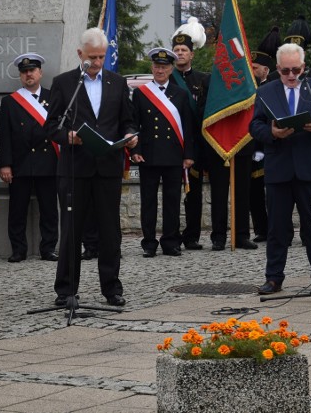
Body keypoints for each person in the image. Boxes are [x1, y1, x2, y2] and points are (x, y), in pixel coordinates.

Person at [46, 28, 138, 307]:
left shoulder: (117, 82)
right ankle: (66, 290)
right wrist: (68, 137)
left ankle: (112, 288)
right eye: (92, 57)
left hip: (108, 167)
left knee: (111, 231)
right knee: (72, 230)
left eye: (101, 57)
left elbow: (128, 121)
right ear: (79, 55)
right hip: (76, 167)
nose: (97, 62)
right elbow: (51, 126)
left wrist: (131, 136)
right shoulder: (64, 84)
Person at [250, 43, 311, 294]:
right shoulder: (266, 91)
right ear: (277, 69)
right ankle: (274, 278)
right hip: (279, 169)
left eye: (296, 70)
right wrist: (272, 131)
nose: (291, 76)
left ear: (304, 67)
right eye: (286, 71)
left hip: (310, 168)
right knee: (277, 228)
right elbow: (254, 126)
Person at [130, 48, 195, 257]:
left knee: (172, 201)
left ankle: (170, 242)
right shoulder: (141, 93)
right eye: (157, 66)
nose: (160, 70)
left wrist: (188, 154)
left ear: (171, 69)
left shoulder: (181, 94)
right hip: (148, 155)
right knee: (148, 202)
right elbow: (134, 124)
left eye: (164, 66)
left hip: (173, 156)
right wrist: (135, 151)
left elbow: (187, 126)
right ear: (152, 67)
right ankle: (149, 243)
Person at [0, 53, 60, 263]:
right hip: (20, 163)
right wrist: (5, 164)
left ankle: (49, 248)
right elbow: (4, 135)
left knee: (49, 209)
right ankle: (18, 250)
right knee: (17, 210)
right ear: (20, 76)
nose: (28, 75)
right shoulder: (10, 102)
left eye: (32, 70)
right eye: (24, 72)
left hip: (48, 162)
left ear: (40, 73)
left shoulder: (54, 98)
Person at [170, 18, 209, 250]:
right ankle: (172, 236)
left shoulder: (203, 80)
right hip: (174, 144)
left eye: (184, 50)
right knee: (174, 193)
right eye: (176, 50)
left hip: (196, 144)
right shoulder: (167, 79)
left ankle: (192, 236)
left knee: (193, 194)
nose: (180, 53)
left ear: (192, 54)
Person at [248, 29, 279, 243]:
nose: (252, 70)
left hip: (274, 145)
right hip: (253, 145)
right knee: (255, 193)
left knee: (275, 194)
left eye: (255, 67)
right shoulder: (249, 88)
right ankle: (261, 228)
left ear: (265, 69)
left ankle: (276, 228)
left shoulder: (273, 88)